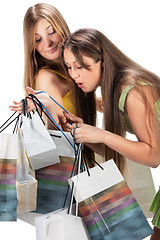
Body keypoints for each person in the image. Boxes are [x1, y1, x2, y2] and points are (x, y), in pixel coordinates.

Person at [60, 28, 160, 239]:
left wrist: (102, 134)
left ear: (102, 61)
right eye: (68, 66)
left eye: (79, 66)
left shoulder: (133, 91)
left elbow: (153, 157)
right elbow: (120, 149)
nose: (74, 74)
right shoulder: (116, 90)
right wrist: (86, 134)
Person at [10, 3, 79, 216]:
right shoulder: (47, 77)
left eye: (51, 33)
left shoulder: (69, 71)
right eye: (38, 39)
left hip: (78, 165)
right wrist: (47, 105)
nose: (47, 43)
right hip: (71, 172)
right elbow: (59, 136)